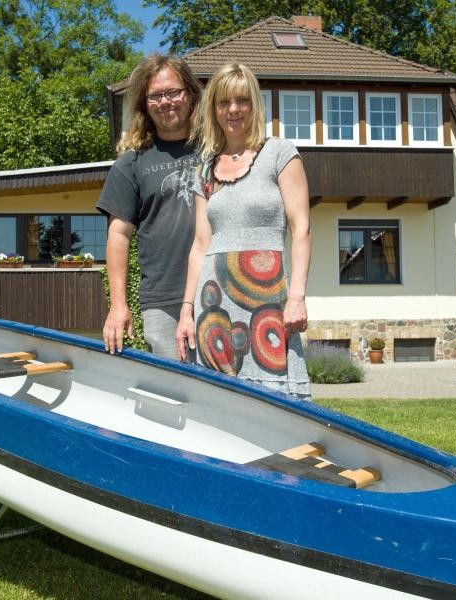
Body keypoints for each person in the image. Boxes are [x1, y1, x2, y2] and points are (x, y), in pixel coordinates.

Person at [175, 63, 311, 398]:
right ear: (214, 109)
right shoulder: (204, 169)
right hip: (214, 302)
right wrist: (186, 309)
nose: (233, 110)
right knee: (220, 401)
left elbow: (302, 227)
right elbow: (199, 244)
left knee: (279, 401)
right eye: (223, 102)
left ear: (253, 103)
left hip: (268, 298)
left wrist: (297, 296)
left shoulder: (279, 153)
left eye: (241, 100)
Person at [96, 54, 202, 358]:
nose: (166, 101)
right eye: (156, 95)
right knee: (174, 395)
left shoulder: (215, 150)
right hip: (163, 299)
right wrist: (118, 306)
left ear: (190, 94)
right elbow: (118, 235)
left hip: (214, 292)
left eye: (173, 92)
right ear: (145, 103)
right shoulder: (131, 163)